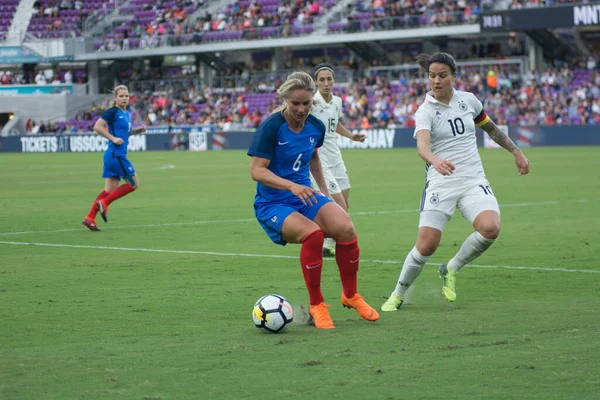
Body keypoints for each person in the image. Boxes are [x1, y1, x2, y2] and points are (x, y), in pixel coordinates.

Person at [381, 52, 530, 311]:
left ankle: (451, 268)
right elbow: (422, 147)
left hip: (473, 179)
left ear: (454, 76)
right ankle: (398, 293)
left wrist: (516, 152)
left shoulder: (469, 101)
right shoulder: (425, 111)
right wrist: (435, 160)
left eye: (442, 75)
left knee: (490, 228)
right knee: (426, 245)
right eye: (431, 76)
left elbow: (491, 128)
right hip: (441, 183)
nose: (436, 81)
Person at [247, 71, 379, 329]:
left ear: (312, 101)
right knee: (314, 235)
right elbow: (256, 171)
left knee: (346, 227)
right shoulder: (271, 127)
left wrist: (325, 193)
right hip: (273, 203)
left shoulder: (315, 126)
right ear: (286, 100)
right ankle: (317, 305)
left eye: (306, 103)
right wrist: (291, 186)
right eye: (295, 103)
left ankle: (350, 295)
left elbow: (314, 157)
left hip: (304, 195)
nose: (300, 108)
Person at [309, 63, 366, 257]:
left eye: (329, 79)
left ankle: (327, 243)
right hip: (319, 159)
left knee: (345, 204)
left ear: (334, 80)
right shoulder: (312, 103)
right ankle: (336, 241)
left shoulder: (337, 101)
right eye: (322, 79)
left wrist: (351, 136)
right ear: (316, 82)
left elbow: (336, 123)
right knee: (339, 205)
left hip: (336, 156)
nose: (326, 83)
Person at [82, 85, 146, 231]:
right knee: (134, 183)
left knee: (109, 190)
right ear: (115, 98)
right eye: (121, 96)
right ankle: (105, 203)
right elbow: (97, 126)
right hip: (116, 155)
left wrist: (138, 130)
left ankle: (90, 218)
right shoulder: (113, 112)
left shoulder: (126, 113)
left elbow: (125, 133)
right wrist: (113, 138)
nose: (124, 98)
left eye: (126, 96)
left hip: (112, 155)